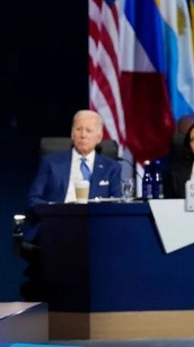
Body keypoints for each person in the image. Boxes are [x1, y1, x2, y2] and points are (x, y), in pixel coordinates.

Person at [19, 109, 122, 301]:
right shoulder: (51, 163)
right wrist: (57, 211)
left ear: (99, 137)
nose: (83, 134)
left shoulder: (111, 167)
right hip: (56, 228)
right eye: (79, 129)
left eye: (89, 130)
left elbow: (118, 203)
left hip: (94, 230)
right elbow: (32, 200)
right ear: (72, 133)